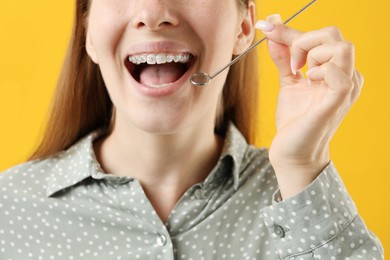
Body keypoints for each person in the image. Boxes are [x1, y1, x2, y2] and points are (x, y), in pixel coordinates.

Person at [0, 0, 384, 259]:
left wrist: (303, 166)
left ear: (244, 26)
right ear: (89, 34)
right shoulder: (9, 212)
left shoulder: (302, 201)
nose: (154, 13)